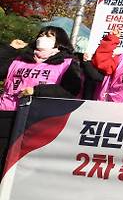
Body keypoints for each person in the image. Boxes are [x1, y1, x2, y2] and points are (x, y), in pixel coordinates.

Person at [0, 26, 82, 174]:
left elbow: (70, 91)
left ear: (59, 42)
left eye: (50, 36)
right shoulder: (20, 58)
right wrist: (10, 49)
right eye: (42, 34)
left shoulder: (67, 62)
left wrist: (37, 91)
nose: (43, 38)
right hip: (7, 112)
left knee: (21, 163)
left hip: (36, 118)